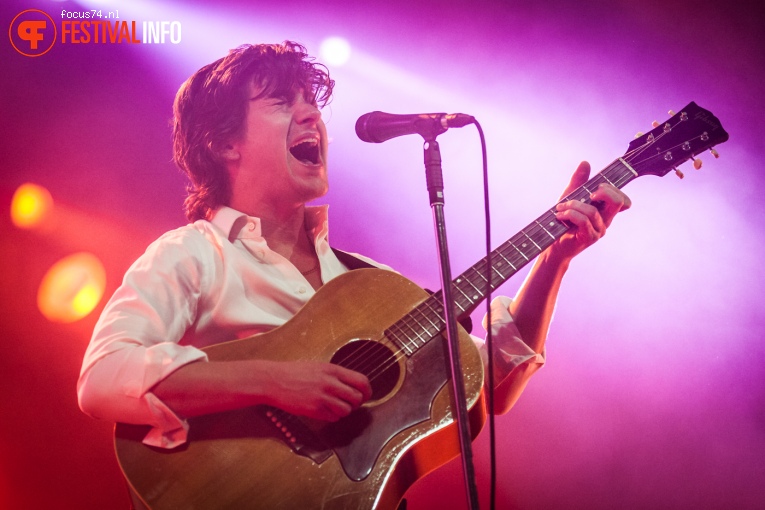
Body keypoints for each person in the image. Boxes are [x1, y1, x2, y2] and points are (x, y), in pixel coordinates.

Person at [78, 40, 629, 470]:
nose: (311, 117)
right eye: (281, 103)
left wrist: (553, 261)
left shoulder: (366, 283)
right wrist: (272, 380)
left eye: (312, 104)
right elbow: (104, 375)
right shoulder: (194, 254)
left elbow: (488, 382)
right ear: (225, 143)